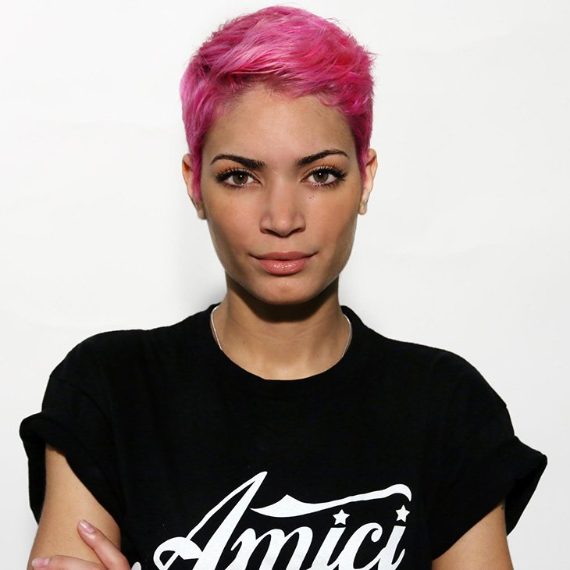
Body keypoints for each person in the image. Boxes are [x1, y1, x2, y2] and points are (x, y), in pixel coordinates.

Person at [20, 5, 547, 570]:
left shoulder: (447, 407)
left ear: (365, 179)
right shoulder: (110, 391)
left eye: (320, 174)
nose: (282, 218)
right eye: (240, 176)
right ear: (195, 185)